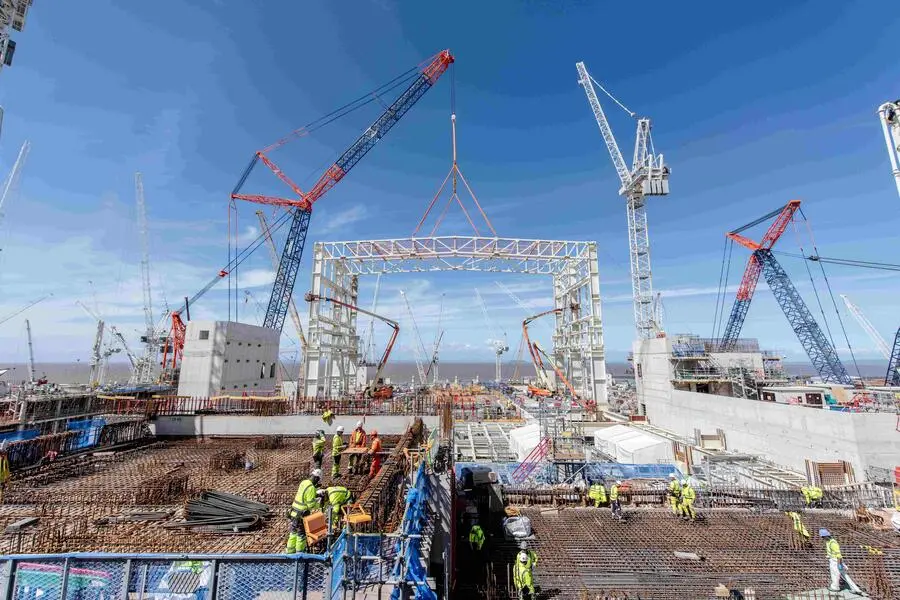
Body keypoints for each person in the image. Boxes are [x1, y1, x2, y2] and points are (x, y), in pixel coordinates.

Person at [285, 469, 322, 553]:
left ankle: (290, 552)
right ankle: (299, 554)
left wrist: (315, 493)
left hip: (293, 512)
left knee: (293, 533)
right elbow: (310, 505)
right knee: (301, 535)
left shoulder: (304, 482)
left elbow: (304, 494)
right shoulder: (311, 488)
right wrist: (318, 502)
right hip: (301, 514)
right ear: (316, 478)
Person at [819, 528, 864, 594]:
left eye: (823, 537)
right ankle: (856, 589)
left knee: (835, 574)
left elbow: (839, 555)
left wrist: (839, 564)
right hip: (834, 560)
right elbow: (831, 552)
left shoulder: (833, 543)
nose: (822, 538)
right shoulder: (828, 542)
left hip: (836, 561)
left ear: (825, 536)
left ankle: (835, 587)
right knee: (844, 575)